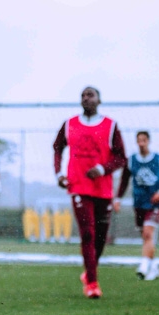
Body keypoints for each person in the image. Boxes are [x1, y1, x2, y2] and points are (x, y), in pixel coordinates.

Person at [52, 86, 126, 299]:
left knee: (101, 237)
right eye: (83, 95)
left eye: (90, 95)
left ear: (99, 100)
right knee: (87, 233)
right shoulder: (69, 124)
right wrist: (59, 174)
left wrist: (102, 169)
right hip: (78, 186)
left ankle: (89, 272)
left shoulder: (110, 126)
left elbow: (121, 157)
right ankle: (92, 283)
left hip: (102, 189)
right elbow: (57, 148)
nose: (86, 98)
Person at [115, 130, 159, 281]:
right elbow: (124, 181)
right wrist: (118, 198)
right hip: (139, 203)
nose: (141, 143)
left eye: (144, 140)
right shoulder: (131, 161)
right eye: (139, 141)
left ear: (148, 141)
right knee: (145, 237)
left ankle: (143, 267)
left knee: (148, 234)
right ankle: (154, 267)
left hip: (154, 204)